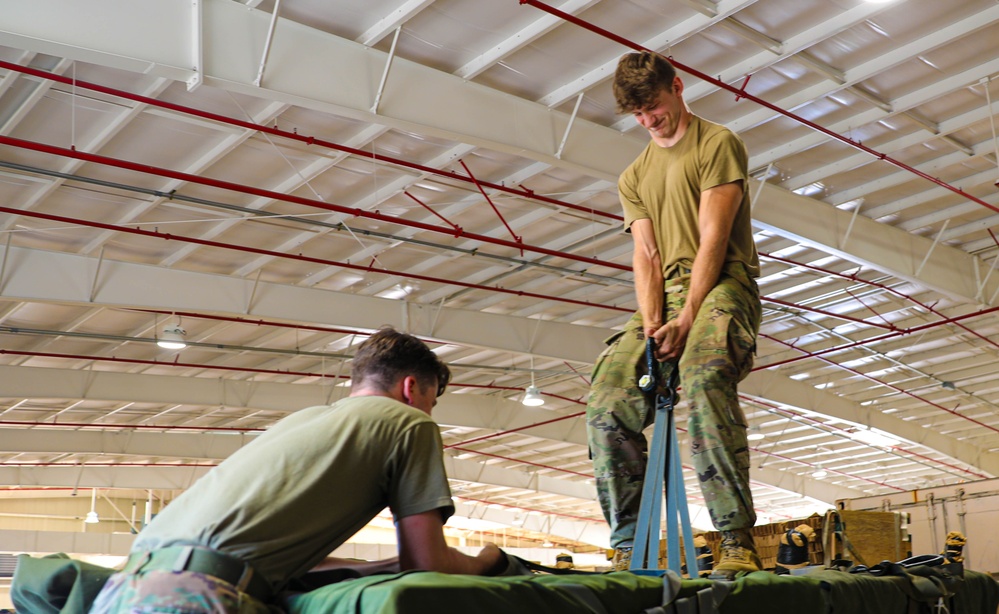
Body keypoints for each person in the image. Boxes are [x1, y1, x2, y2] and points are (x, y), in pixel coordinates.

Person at [90, 326, 506, 613]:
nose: (429, 411)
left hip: (124, 587)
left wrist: (379, 566)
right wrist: (487, 561)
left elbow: (276, 560)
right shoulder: (409, 421)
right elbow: (426, 565)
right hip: (196, 597)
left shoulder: (303, 422)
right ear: (412, 388)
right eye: (432, 400)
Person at [586, 51, 762, 579]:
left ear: (678, 87)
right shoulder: (634, 176)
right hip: (663, 298)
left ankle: (734, 539)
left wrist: (687, 319)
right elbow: (647, 256)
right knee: (607, 401)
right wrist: (651, 327)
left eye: (654, 107)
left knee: (705, 375)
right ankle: (627, 545)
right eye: (637, 115)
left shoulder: (716, 143)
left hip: (723, 284)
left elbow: (713, 237)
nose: (649, 121)